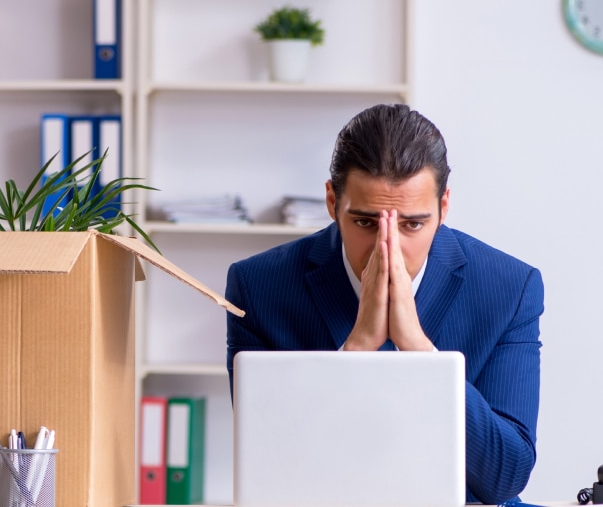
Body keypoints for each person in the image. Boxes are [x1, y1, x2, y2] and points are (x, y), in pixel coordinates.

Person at [225, 103, 543, 505]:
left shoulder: (509, 288)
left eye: (412, 224)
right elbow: (270, 469)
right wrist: (355, 350)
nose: (386, 246)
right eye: (364, 222)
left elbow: (505, 477)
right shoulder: (257, 287)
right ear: (331, 202)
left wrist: (423, 354)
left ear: (443, 207)